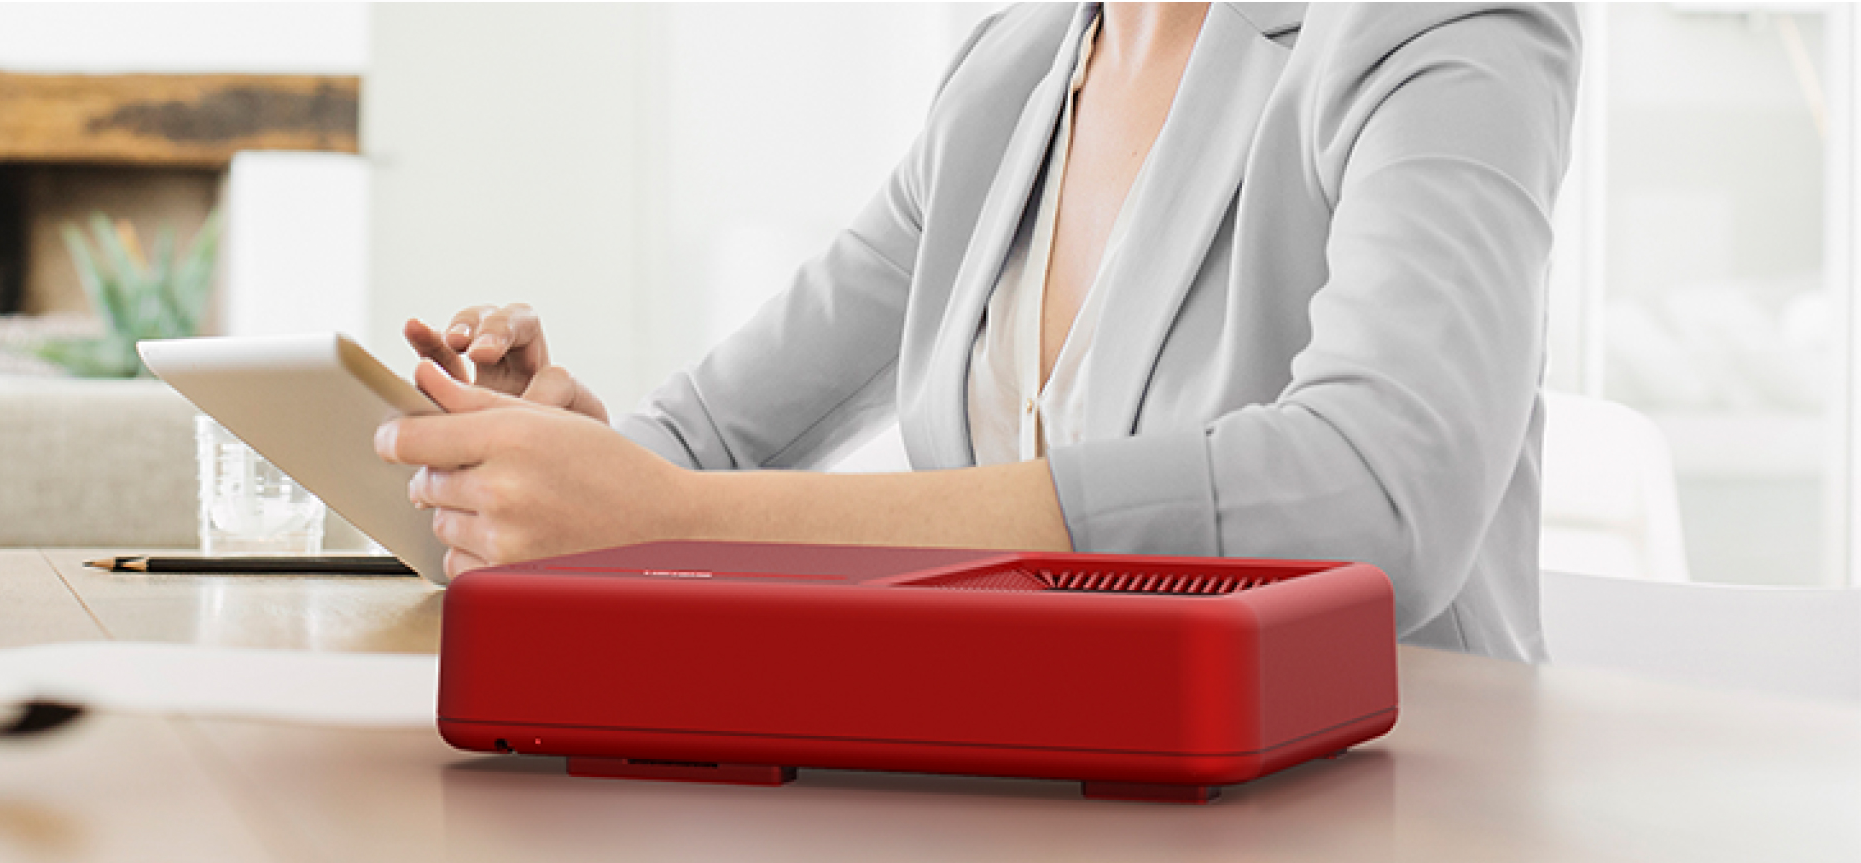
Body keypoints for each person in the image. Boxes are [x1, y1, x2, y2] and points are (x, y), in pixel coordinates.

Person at [378, 3, 1581, 663]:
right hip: (1048, 785)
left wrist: (680, 516)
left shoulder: (1435, 27)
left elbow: (1380, 488)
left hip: (1378, 806)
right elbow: (715, 436)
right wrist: (560, 464)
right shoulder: (1018, 66)